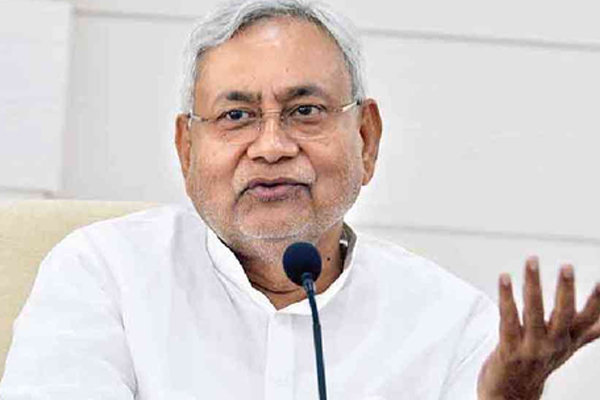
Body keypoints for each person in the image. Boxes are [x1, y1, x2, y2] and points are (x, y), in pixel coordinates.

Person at [1, 0, 599, 399]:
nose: (271, 146)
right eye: (236, 116)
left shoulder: (454, 326)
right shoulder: (104, 275)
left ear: (365, 138)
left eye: (305, 111)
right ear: (187, 149)